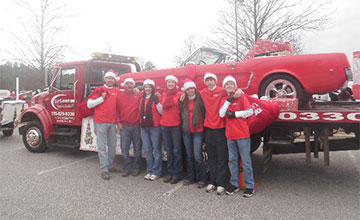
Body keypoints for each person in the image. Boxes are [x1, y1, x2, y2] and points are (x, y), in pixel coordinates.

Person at [219, 75, 255, 197]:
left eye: (231, 84)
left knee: (246, 161)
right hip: (230, 135)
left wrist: (235, 114)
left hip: (242, 134)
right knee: (232, 160)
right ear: (224, 87)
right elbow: (221, 114)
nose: (229, 86)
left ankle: (250, 186)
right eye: (227, 84)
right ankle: (234, 184)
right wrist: (229, 100)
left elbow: (250, 111)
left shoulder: (241, 96)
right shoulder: (225, 98)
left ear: (235, 86)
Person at [87, 69, 121, 180]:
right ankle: (104, 169)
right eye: (108, 78)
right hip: (100, 122)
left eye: (112, 78)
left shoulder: (117, 90)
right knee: (102, 147)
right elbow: (89, 104)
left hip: (112, 122)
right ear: (105, 79)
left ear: (114, 80)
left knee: (112, 146)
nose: (110, 80)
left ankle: (110, 166)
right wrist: (101, 98)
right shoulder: (99, 90)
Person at [200, 72, 229, 195]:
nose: (210, 82)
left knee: (222, 156)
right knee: (211, 157)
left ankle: (221, 183)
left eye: (212, 80)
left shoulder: (222, 91)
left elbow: (233, 93)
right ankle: (212, 181)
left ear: (215, 81)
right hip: (208, 129)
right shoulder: (203, 93)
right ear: (205, 82)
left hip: (220, 128)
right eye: (207, 80)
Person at [180, 79, 207, 188]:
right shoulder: (183, 100)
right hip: (186, 131)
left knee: (197, 156)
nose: (190, 90)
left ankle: (202, 178)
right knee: (189, 156)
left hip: (198, 131)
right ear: (185, 91)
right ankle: (191, 177)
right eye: (188, 89)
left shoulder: (200, 98)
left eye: (191, 88)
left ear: (195, 89)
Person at [117, 77, 143, 177]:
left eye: (131, 84)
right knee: (125, 148)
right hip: (124, 126)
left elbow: (150, 92)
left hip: (136, 126)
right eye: (127, 84)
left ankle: (137, 168)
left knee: (137, 148)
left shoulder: (139, 94)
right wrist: (118, 123)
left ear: (134, 85)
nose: (129, 86)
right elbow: (117, 110)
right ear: (124, 85)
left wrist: (140, 90)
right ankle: (127, 168)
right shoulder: (120, 95)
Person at [160, 75, 183, 184]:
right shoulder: (163, 94)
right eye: (168, 82)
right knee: (169, 150)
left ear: (175, 83)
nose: (170, 84)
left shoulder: (180, 94)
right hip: (165, 125)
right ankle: (170, 173)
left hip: (175, 126)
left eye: (172, 82)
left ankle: (177, 174)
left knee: (177, 151)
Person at [140, 79, 163, 181]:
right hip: (144, 127)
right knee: (148, 150)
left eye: (149, 87)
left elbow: (161, 111)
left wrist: (158, 102)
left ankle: (156, 171)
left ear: (152, 88)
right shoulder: (142, 98)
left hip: (155, 127)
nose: (147, 89)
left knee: (156, 150)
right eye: (146, 87)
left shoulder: (156, 98)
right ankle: (149, 170)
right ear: (144, 88)